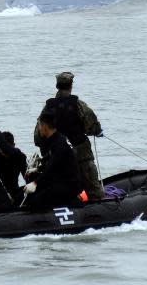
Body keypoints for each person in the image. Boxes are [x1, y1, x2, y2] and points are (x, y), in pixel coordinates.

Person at [35, 71, 104, 200]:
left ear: (57, 86)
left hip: (58, 159)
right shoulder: (79, 104)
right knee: (94, 191)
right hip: (82, 155)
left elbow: (38, 138)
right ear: (71, 85)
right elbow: (93, 127)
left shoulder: (48, 108)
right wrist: (98, 132)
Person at [24, 111, 81, 210]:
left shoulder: (59, 143)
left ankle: (72, 203)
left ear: (45, 126)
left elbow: (51, 168)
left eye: (40, 126)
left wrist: (35, 183)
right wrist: (37, 170)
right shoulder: (55, 139)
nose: (39, 129)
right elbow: (50, 159)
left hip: (68, 184)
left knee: (36, 202)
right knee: (28, 194)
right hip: (59, 180)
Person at [0, 131, 27, 204]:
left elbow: (26, 177)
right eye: (2, 150)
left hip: (15, 190)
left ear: (13, 145)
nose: (5, 153)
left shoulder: (20, 156)